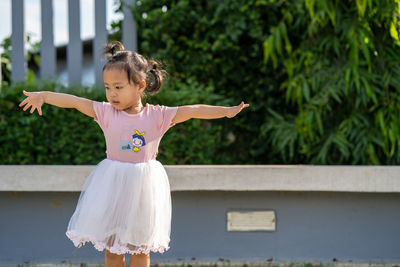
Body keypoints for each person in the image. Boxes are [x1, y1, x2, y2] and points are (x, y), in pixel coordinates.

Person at [19, 41, 249, 267]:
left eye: (118, 87)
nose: (112, 94)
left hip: (144, 189)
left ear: (140, 85)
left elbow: (192, 111)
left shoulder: (158, 116)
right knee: (112, 248)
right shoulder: (105, 112)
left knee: (140, 249)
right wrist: (45, 96)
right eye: (107, 87)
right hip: (112, 185)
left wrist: (225, 112)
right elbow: (75, 102)